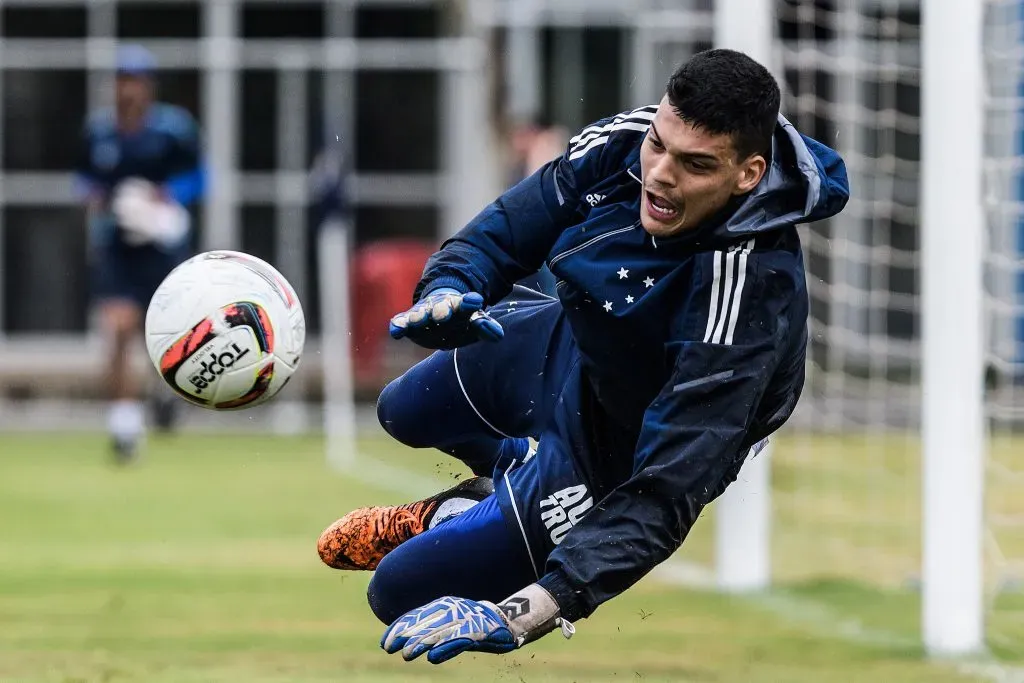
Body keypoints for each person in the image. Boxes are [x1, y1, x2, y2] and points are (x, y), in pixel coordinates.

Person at [317, 48, 850, 663]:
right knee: (402, 410)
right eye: (660, 145)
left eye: (695, 165)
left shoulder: (750, 293)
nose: (660, 175)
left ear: (748, 174)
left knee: (398, 592)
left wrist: (521, 614)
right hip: (562, 345)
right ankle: (505, 480)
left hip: (614, 450)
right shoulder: (626, 141)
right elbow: (509, 227)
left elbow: (665, 492)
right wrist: (446, 290)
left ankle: (461, 513)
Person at [74, 45, 207, 463]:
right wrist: (104, 204)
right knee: (117, 328)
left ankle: (165, 395)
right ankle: (125, 426)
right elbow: (84, 180)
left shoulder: (173, 129)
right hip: (118, 247)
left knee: (167, 334)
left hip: (162, 247)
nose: (128, 89)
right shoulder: (99, 132)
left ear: (148, 86)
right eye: (122, 80)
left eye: (135, 80)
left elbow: (201, 176)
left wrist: (164, 199)